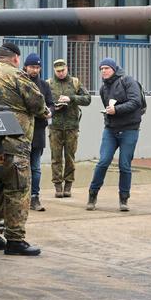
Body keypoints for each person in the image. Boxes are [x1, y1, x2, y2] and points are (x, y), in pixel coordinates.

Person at [0, 42, 46, 255]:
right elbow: (38, 104)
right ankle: (15, 240)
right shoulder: (17, 76)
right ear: (15, 58)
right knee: (18, 190)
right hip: (14, 144)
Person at [85, 57, 146, 212]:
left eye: (106, 68)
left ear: (114, 69)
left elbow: (136, 102)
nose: (103, 71)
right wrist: (109, 113)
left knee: (124, 165)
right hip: (110, 130)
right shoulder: (103, 88)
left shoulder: (128, 81)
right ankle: (92, 194)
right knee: (103, 161)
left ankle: (124, 198)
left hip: (129, 129)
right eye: (101, 69)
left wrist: (116, 109)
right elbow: (107, 108)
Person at [47, 58, 90, 198]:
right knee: (56, 158)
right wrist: (54, 105)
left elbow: (87, 99)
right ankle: (57, 185)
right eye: (58, 71)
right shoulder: (49, 84)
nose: (60, 73)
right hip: (55, 126)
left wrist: (71, 98)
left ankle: (68, 185)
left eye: (62, 70)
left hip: (72, 126)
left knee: (70, 157)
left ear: (67, 68)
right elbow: (43, 102)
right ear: (54, 71)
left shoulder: (75, 82)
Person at [21, 53, 54, 212]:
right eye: (32, 67)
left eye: (37, 67)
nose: (35, 70)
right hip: (22, 131)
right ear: (25, 67)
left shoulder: (44, 85)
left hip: (39, 130)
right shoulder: (20, 82)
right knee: (21, 166)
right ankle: (22, 197)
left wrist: (50, 112)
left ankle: (35, 197)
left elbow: (50, 104)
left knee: (36, 167)